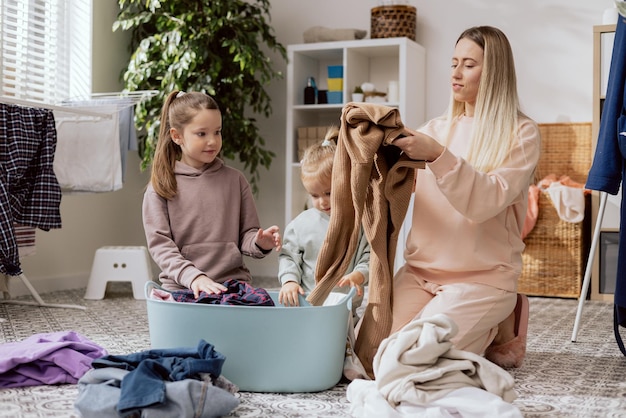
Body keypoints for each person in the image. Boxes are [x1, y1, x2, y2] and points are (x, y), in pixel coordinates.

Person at [389, 25, 540, 368]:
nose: (456, 73)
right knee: (369, 356)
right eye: (453, 62)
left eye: (469, 64)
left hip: (481, 277)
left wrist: (438, 156)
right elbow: (396, 191)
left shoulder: (521, 133)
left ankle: (503, 319)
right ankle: (487, 326)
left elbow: (485, 201)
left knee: (414, 360)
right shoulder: (433, 131)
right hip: (420, 271)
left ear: (494, 72)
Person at [142, 91, 281, 298]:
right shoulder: (161, 187)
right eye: (202, 134)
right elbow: (161, 247)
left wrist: (260, 243)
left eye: (217, 132)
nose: (213, 141)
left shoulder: (235, 180)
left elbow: (247, 234)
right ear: (176, 136)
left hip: (232, 285)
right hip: (183, 286)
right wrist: (195, 277)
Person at [278, 128, 369, 318]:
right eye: (314, 195)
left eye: (328, 192)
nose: (322, 201)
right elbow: (289, 256)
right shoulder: (300, 225)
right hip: (308, 305)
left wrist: (359, 275)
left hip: (346, 308)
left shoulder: (359, 221)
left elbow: (369, 256)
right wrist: (289, 281)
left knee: (347, 343)